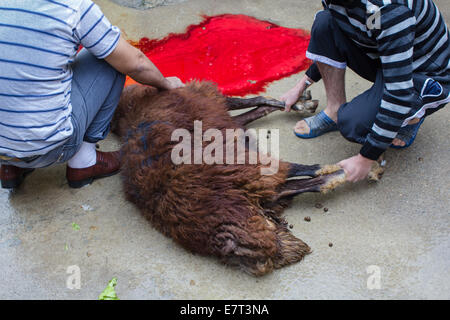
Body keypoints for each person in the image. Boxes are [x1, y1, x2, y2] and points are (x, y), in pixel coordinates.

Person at [0, 0, 184, 189]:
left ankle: (10, 166)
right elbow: (135, 63)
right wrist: (166, 83)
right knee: (110, 55)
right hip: (53, 149)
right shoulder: (71, 6)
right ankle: (84, 161)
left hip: (2, 150)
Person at [281, 0, 449, 182]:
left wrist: (366, 157)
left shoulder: (390, 10)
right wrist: (302, 85)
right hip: (388, 57)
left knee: (355, 124)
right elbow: (333, 36)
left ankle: (413, 114)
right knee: (325, 22)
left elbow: (399, 94)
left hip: (423, 75)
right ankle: (334, 111)